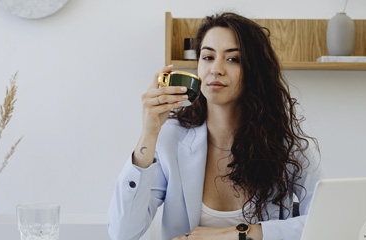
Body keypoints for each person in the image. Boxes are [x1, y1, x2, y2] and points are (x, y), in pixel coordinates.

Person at [108, 12, 323, 240]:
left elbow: (328, 220)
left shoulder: (284, 143)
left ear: (254, 71)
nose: (216, 69)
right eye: (208, 57)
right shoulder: (171, 138)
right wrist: (149, 134)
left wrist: (240, 234)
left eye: (233, 59)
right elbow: (123, 233)